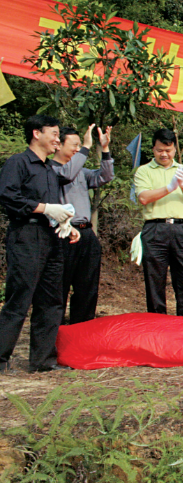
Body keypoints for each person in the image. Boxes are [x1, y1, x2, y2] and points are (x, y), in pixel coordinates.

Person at [0, 115, 80, 373]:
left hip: (51, 238)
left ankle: (43, 361)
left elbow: (55, 208)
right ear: (37, 133)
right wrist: (44, 208)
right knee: (19, 298)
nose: (58, 139)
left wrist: (66, 225)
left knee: (52, 300)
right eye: (54, 133)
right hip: (26, 236)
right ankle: (1, 360)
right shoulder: (18, 162)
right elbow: (7, 195)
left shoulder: (49, 169)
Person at [51, 124, 115, 324]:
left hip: (86, 234)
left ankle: (82, 332)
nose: (78, 150)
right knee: (58, 287)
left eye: (80, 145)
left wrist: (105, 150)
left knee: (87, 287)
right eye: (75, 145)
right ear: (57, 145)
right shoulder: (49, 170)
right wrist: (87, 146)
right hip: (61, 233)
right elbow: (66, 175)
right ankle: (54, 334)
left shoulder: (81, 172)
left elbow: (105, 176)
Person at [133, 129, 183, 316]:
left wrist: (182, 184)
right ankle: (158, 325)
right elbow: (144, 198)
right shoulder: (143, 171)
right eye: (160, 150)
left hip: (180, 228)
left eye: (168, 150)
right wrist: (170, 188)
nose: (164, 154)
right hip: (155, 228)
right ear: (153, 149)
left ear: (174, 149)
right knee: (155, 280)